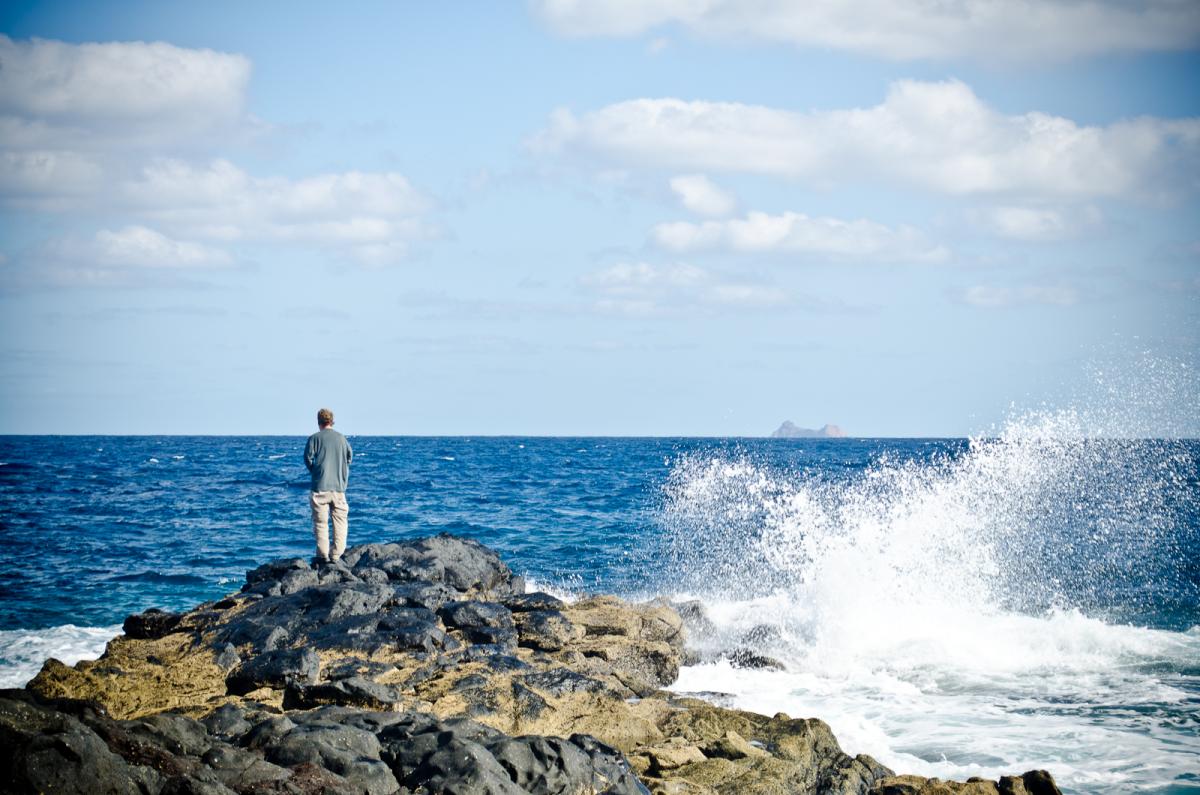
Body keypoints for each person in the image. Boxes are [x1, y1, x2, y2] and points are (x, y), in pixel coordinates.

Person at [304, 408, 353, 565]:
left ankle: (323, 555)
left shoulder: (314, 438)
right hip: (339, 488)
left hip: (320, 487)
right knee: (340, 522)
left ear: (319, 422)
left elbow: (308, 458)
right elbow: (349, 458)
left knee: (320, 523)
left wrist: (315, 471)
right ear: (332, 421)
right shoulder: (342, 439)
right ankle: (336, 554)